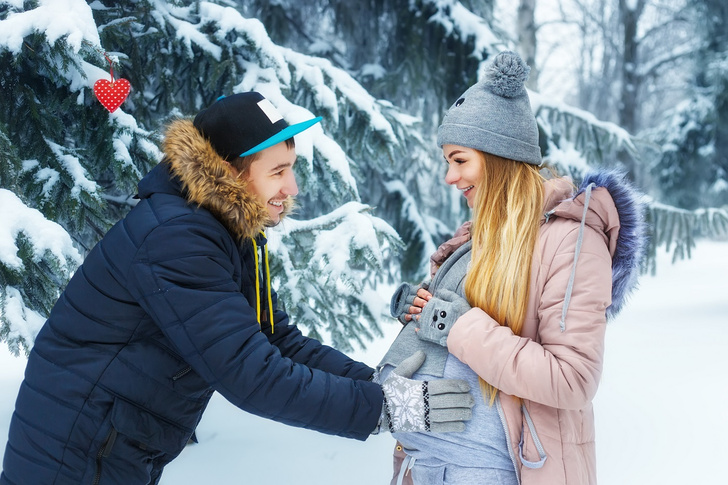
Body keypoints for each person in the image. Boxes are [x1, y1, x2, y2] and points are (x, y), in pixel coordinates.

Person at [0, 92, 475, 484]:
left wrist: (372, 384)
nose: (292, 187)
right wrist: (382, 408)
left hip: (111, 446)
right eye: (276, 171)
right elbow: (252, 375)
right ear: (228, 172)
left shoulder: (224, 232)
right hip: (72, 454)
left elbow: (275, 340)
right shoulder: (176, 238)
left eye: (291, 168)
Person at [378, 51, 647, 485]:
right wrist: (421, 313)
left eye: (460, 160)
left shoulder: (569, 243)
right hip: (423, 468)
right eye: (448, 161)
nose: (449, 176)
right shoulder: (476, 238)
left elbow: (572, 378)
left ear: (499, 156)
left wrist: (456, 327)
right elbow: (464, 342)